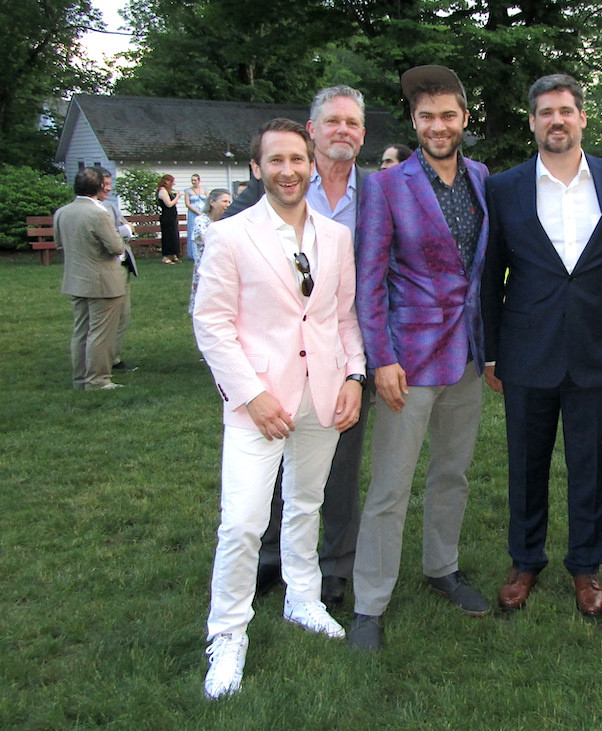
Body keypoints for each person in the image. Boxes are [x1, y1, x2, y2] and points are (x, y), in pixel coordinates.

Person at [193, 118, 366, 700]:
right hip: (258, 403)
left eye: (298, 159)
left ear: (312, 164)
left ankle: (302, 597)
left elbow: (343, 318)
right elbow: (211, 324)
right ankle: (228, 634)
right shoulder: (230, 236)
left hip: (323, 394)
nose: (288, 170)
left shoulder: (336, 238)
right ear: (256, 168)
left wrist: (355, 375)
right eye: (276, 161)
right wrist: (251, 394)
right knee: (242, 523)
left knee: (306, 502)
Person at [483, 74, 602, 616]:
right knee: (525, 464)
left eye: (566, 111)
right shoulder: (504, 188)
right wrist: (492, 350)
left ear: (582, 118)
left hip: (597, 347)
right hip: (527, 349)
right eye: (546, 112)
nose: (557, 120)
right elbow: (490, 272)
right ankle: (525, 562)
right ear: (532, 121)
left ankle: (585, 566)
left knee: (589, 466)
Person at [348, 65, 491, 652]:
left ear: (464, 119)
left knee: (452, 474)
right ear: (415, 122)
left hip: (468, 359)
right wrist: (381, 357)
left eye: (448, 116)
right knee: (390, 484)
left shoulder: (481, 177)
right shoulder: (385, 186)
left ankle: (442, 568)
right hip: (406, 360)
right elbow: (369, 279)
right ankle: (368, 605)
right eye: (427, 117)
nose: (438, 126)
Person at [226, 86, 376, 613]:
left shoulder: (375, 194)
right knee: (266, 478)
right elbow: (221, 292)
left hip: (341, 361)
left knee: (335, 474)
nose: (343, 130)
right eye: (331, 121)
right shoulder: (260, 198)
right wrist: (243, 378)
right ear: (313, 132)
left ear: (362, 133)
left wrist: (361, 370)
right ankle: (272, 560)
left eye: (352, 123)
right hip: (270, 369)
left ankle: (331, 569)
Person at [57, 167, 127, 391]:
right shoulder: (98, 214)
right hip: (102, 281)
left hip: (76, 279)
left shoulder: (62, 212)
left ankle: (80, 378)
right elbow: (116, 247)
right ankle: (97, 381)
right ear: (98, 188)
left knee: (81, 331)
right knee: (100, 332)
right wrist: (124, 233)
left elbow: (60, 243)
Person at [93, 167, 139, 373]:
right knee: (106, 319)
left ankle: (113, 357)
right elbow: (111, 236)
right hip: (105, 269)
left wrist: (124, 230)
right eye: (106, 184)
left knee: (123, 315)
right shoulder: (90, 211)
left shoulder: (110, 207)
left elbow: (120, 230)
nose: (110, 188)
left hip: (121, 266)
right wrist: (126, 230)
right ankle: (102, 362)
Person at [188, 188, 232, 314]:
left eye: (229, 202)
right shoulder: (201, 220)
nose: (227, 205)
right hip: (207, 267)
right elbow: (209, 242)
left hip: (226, 265)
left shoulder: (226, 221)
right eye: (224, 201)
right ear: (212, 202)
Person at [157, 174, 182, 264]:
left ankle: (173, 255)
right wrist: (177, 197)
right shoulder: (162, 191)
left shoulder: (167, 191)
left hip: (172, 217)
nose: (172, 184)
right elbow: (169, 204)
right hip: (167, 217)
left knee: (173, 235)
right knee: (168, 236)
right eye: (171, 182)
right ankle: (166, 256)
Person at [185, 174, 207, 260]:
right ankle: (193, 254)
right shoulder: (188, 191)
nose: (193, 182)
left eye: (195, 180)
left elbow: (208, 200)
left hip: (203, 211)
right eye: (192, 180)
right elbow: (187, 204)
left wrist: (204, 211)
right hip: (193, 213)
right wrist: (197, 211)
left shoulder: (205, 189)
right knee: (193, 231)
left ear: (199, 180)